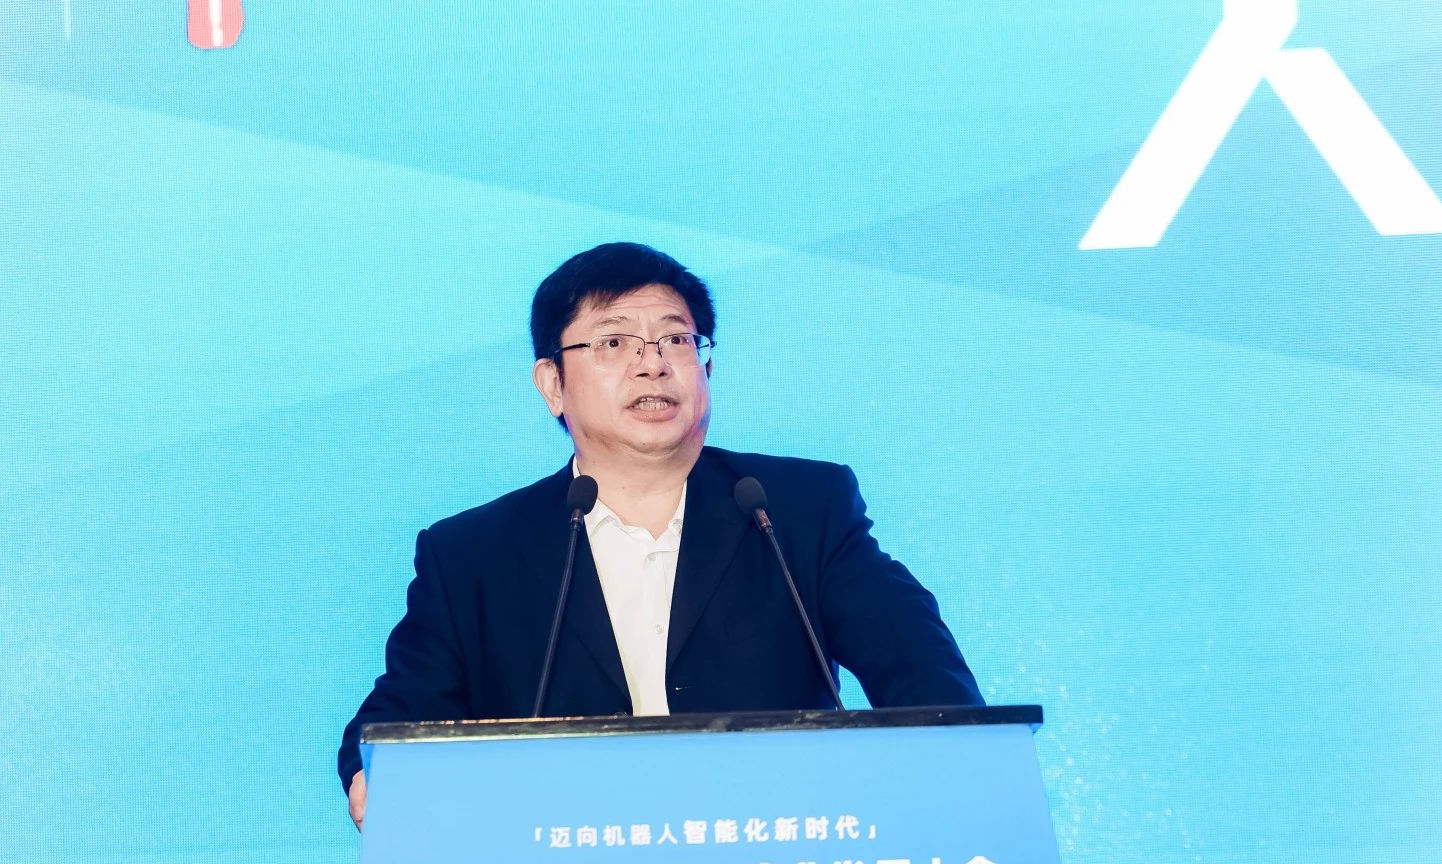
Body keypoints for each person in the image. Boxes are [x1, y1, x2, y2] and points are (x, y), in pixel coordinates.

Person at [339, 242, 980, 829]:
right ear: (552, 384)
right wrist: (379, 771)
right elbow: (400, 712)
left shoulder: (797, 510)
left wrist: (956, 765)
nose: (652, 364)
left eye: (676, 340)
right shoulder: (475, 554)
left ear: (706, 366)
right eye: (614, 343)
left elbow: (919, 667)